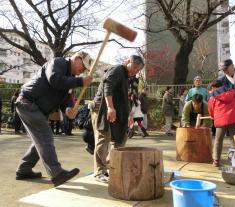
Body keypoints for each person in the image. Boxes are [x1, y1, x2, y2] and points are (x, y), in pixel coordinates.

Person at [15, 51, 93, 186]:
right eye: (83, 66)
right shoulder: (58, 62)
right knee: (45, 136)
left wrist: (68, 109)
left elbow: (65, 99)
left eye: (85, 70)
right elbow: (54, 79)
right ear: (76, 59)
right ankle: (56, 173)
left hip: (36, 107)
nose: (83, 71)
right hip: (28, 102)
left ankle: (24, 169)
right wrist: (79, 81)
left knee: (39, 140)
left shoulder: (70, 77)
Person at [89, 55, 144, 183]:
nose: (135, 71)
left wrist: (129, 115)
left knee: (121, 137)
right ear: (128, 62)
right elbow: (107, 86)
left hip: (117, 111)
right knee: (104, 137)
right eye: (135, 67)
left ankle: (108, 163)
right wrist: (110, 107)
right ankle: (99, 172)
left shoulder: (126, 77)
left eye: (138, 69)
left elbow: (125, 98)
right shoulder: (117, 70)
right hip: (102, 108)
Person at [208, 80, 235, 167]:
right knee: (234, 140)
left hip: (220, 120)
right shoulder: (232, 92)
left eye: (210, 90)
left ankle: (216, 161)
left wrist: (213, 116)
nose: (210, 92)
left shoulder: (213, 96)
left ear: (213, 87)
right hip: (234, 118)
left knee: (218, 140)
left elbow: (211, 109)